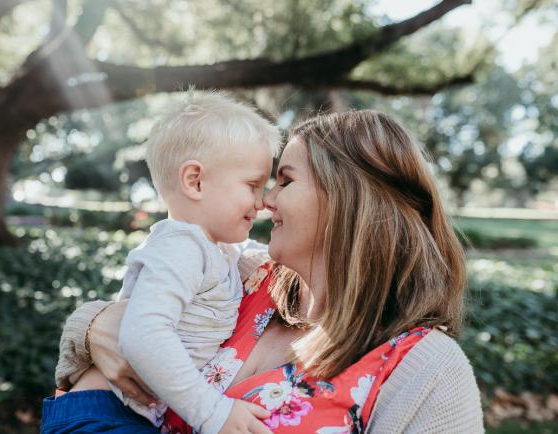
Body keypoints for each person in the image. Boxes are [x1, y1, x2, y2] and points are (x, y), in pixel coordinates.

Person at [53, 110, 485, 433]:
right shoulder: (248, 277)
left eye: (285, 181)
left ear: (347, 199)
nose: (266, 202)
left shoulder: (426, 368)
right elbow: (139, 311)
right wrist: (92, 326)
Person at [41, 92, 282, 434]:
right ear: (194, 181)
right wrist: (214, 413)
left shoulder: (221, 250)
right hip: (104, 415)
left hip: (129, 414)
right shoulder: (181, 247)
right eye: (253, 185)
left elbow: (265, 257)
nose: (261, 202)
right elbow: (142, 334)